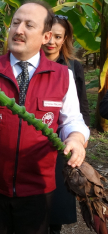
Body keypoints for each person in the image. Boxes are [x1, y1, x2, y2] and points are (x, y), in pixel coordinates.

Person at [0, 0, 90, 234]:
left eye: (29, 25)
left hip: (38, 186)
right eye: (15, 23)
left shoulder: (62, 76)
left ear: (46, 36)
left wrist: (76, 138)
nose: (18, 30)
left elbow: (72, 120)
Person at [41, 15, 90, 234]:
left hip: (63, 139)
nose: (51, 42)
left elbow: (80, 106)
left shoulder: (72, 67)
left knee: (58, 194)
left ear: (65, 39)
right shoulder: (30, 64)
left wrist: (80, 138)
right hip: (38, 138)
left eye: (58, 37)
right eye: (49, 36)